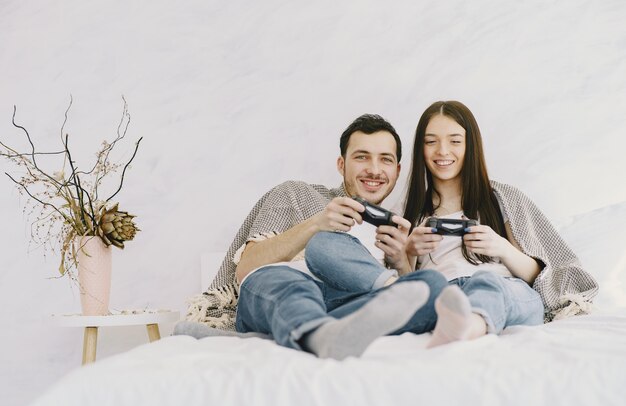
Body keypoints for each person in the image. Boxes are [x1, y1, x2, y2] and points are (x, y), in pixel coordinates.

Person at [304, 101, 599, 348]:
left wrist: (503, 248)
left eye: (455, 141)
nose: (442, 152)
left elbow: (543, 273)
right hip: (444, 295)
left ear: (470, 146)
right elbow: (407, 286)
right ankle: (457, 324)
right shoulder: (406, 212)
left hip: (504, 289)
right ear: (421, 149)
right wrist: (407, 254)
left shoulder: (502, 199)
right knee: (436, 293)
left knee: (490, 284)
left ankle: (466, 327)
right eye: (431, 142)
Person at [180, 114, 448, 360]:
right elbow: (247, 269)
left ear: (397, 171)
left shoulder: (393, 228)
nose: (374, 169)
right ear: (341, 164)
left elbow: (406, 300)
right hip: (280, 291)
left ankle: (317, 335)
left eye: (385, 159)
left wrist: (401, 261)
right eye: (362, 157)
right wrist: (315, 225)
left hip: (345, 307)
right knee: (323, 245)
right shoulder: (297, 194)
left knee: (433, 284)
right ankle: (313, 327)